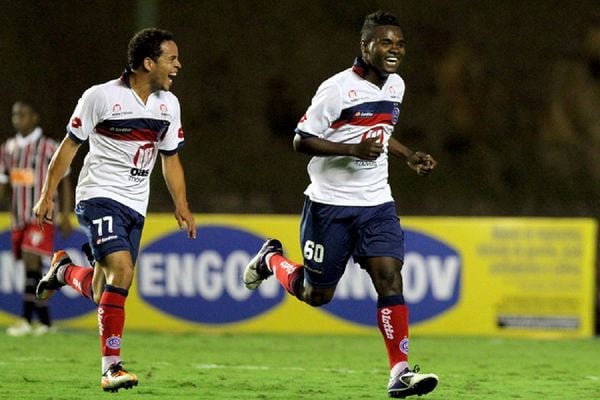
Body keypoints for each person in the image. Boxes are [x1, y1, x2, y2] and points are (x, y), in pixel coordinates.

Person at [243, 10, 438, 398]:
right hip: (329, 206)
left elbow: (380, 133)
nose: (394, 49)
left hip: (377, 202)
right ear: (365, 46)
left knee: (389, 277)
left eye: (399, 43)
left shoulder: (396, 85)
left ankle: (399, 371)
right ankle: (270, 260)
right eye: (385, 42)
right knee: (317, 295)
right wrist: (352, 148)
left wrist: (407, 155)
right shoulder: (336, 89)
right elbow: (301, 139)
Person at [32, 28, 196, 392]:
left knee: (100, 289)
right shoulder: (101, 97)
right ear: (148, 63)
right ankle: (111, 368)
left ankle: (63, 271)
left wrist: (181, 204)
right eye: (172, 58)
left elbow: (170, 160)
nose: (178, 65)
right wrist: (46, 194)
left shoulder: (169, 105)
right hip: (98, 196)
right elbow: (68, 149)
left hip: (135, 206)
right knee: (122, 271)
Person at [0, 101, 72, 336]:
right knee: (31, 267)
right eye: (14, 115)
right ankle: (44, 320)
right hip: (18, 216)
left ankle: (25, 319)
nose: (18, 118)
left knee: (32, 260)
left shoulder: (48, 147)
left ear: (34, 117)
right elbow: (4, 183)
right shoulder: (8, 149)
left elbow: (65, 180)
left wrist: (65, 213)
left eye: (23, 114)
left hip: (42, 215)